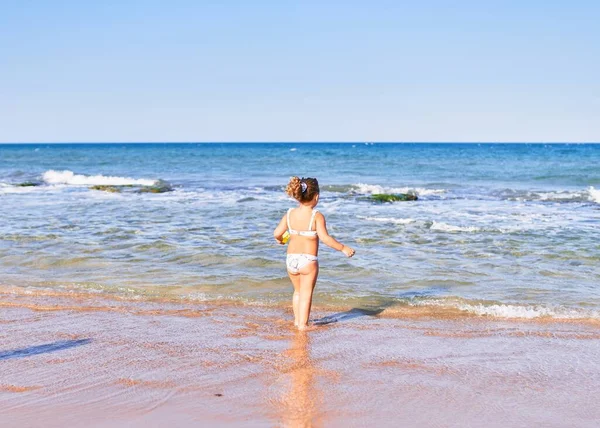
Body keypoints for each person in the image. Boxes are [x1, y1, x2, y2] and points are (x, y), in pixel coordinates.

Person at [273, 176, 355, 330]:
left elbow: (277, 233)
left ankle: (297, 321)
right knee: (306, 293)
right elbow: (325, 238)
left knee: (297, 292)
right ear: (316, 196)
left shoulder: (290, 213)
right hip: (308, 261)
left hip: (291, 260)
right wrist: (343, 248)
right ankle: (303, 325)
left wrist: (281, 240)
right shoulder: (316, 216)